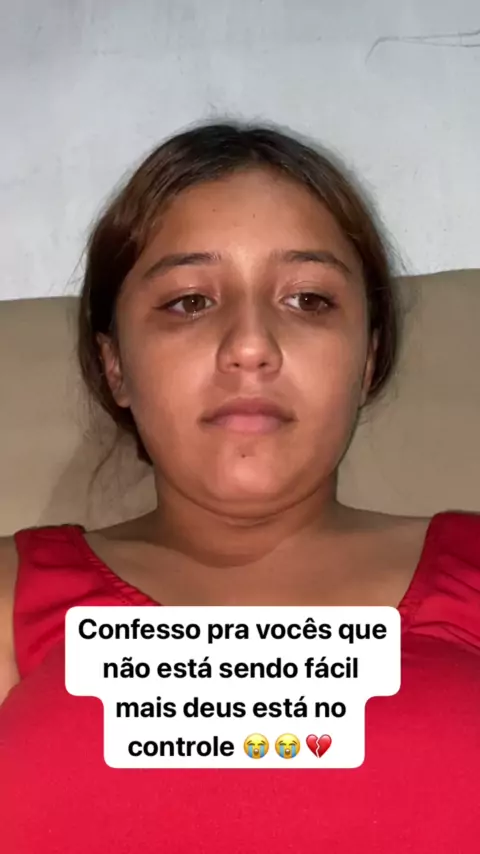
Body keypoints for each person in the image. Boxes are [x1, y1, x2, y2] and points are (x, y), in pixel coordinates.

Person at [0, 121, 479, 853]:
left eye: (308, 300)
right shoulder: (10, 595)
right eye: (190, 301)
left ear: (368, 359)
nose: (251, 346)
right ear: (116, 366)